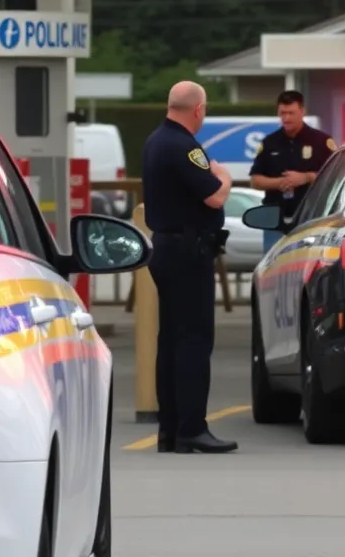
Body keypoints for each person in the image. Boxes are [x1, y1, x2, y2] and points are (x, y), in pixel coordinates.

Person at [141, 80, 239, 454]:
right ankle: (191, 428)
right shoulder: (184, 146)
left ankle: (170, 430)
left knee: (171, 343)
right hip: (188, 251)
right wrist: (225, 177)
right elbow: (214, 196)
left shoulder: (155, 141)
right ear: (198, 109)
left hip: (167, 247)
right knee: (194, 342)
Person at [248, 90, 337, 253]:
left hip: (311, 217)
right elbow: (255, 181)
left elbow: (336, 179)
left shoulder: (321, 142)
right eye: (282, 113)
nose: (286, 118)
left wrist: (306, 177)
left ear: (302, 111)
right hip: (275, 220)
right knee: (272, 268)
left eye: (291, 113)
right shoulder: (269, 143)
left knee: (307, 263)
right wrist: (281, 183)